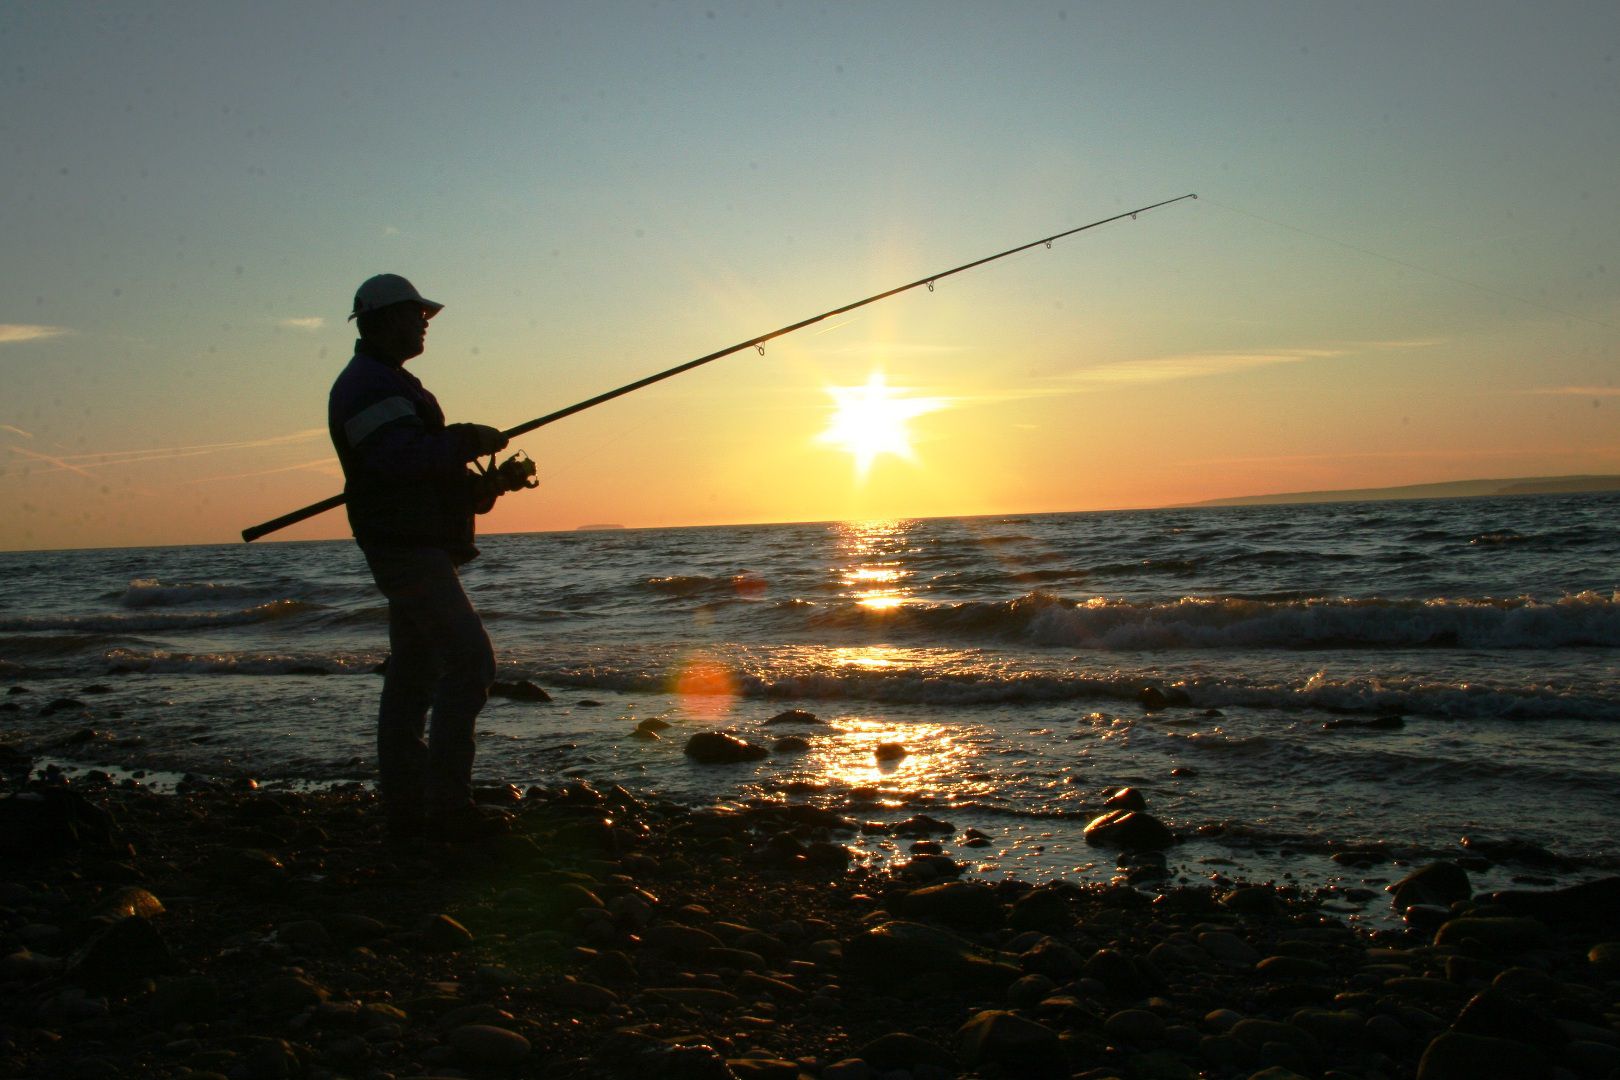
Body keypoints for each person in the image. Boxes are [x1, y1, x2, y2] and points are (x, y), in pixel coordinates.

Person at [328, 273, 523, 842]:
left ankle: (409, 805)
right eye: (416, 315)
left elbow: (421, 474)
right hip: (405, 547)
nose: (424, 325)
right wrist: (468, 438)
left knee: (413, 675)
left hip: (414, 541)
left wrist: (491, 483)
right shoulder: (368, 384)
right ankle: (447, 806)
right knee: (470, 661)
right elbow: (400, 459)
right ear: (383, 320)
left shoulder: (387, 381)